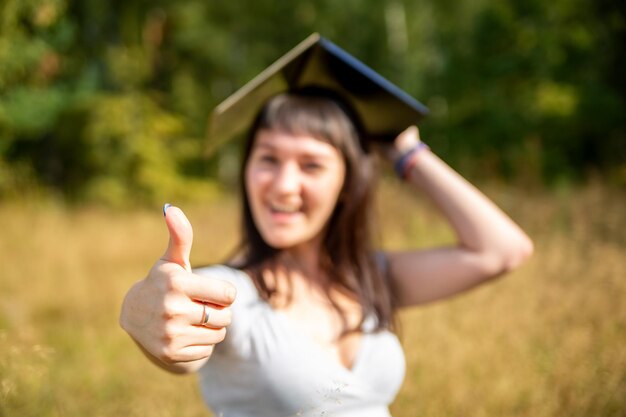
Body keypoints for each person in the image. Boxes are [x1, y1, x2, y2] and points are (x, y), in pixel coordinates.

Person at [119, 36, 533, 417]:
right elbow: (178, 331)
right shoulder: (230, 294)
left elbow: (502, 250)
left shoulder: (371, 277)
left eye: (312, 164)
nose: (283, 185)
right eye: (268, 159)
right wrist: (141, 310)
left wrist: (404, 151)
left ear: (347, 185)